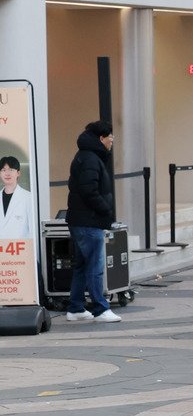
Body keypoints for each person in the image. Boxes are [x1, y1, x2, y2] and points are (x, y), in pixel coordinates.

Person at [65, 120, 121, 323]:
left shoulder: (86, 156)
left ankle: (76, 307)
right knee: (95, 266)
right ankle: (100, 308)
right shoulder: (90, 159)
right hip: (89, 221)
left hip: (81, 220)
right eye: (110, 137)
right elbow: (90, 191)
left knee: (81, 265)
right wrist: (106, 210)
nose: (112, 140)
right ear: (101, 138)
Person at [0, 156, 35, 240]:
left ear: (18, 173)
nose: (7, 173)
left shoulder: (28, 198)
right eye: (3, 170)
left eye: (11, 170)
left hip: (21, 249)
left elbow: (33, 231)